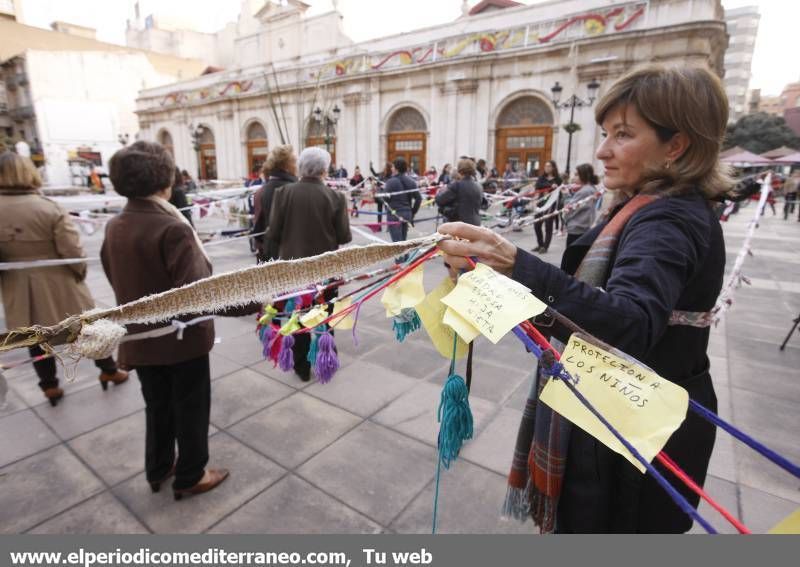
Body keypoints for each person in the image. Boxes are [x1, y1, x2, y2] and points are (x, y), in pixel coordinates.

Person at [437, 65, 729, 533]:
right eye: (605, 132)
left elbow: (631, 323)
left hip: (630, 442)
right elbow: (587, 302)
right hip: (624, 425)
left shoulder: (667, 219)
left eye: (623, 134)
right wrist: (496, 274)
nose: (602, 150)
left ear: (676, 146)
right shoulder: (647, 205)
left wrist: (516, 263)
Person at [102, 141, 255, 500]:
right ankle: (191, 474)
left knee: (156, 406)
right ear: (163, 178)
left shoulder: (115, 225)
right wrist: (249, 301)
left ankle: (158, 468)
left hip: (138, 339)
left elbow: (114, 276)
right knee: (190, 407)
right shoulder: (173, 228)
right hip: (180, 342)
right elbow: (198, 295)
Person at [0, 152, 127, 406]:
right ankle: (108, 369)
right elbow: (72, 253)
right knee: (85, 329)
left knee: (34, 339)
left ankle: (49, 387)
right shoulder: (48, 208)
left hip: (16, 285)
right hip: (59, 282)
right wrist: (79, 274)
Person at [267, 147, 351, 381]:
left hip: (294, 272)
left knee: (298, 317)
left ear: (301, 168)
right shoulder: (335, 197)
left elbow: (273, 233)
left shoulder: (283, 193)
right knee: (325, 316)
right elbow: (344, 237)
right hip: (325, 271)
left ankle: (301, 365)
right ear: (324, 169)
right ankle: (326, 359)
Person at [251, 145, 297, 262]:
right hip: (291, 255)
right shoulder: (293, 189)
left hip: (270, 253)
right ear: (286, 165)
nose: (297, 166)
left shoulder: (263, 190)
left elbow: (258, 230)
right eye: (294, 162)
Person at [382, 157, 422, 243]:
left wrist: (379, 194)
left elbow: (385, 198)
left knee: (397, 245)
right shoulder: (411, 181)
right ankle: (405, 256)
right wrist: (412, 212)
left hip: (394, 215)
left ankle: (402, 257)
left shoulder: (391, 182)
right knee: (403, 243)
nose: (391, 169)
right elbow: (419, 198)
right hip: (407, 214)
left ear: (396, 168)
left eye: (392, 167)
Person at [435, 158, 483, 226]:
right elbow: (483, 204)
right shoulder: (479, 186)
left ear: (459, 170)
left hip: (459, 225)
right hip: (476, 224)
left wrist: (439, 191)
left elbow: (440, 200)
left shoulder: (457, 185)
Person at [562, 163, 599, 247]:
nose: (574, 177)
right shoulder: (591, 188)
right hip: (583, 227)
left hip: (577, 228)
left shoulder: (585, 191)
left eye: (576, 175)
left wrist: (566, 195)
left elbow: (569, 209)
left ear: (584, 175)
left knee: (571, 257)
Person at [532, 160, 563, 253]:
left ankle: (545, 247)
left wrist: (555, 187)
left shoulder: (558, 179)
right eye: (545, 166)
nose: (547, 168)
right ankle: (540, 244)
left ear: (553, 167)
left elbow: (559, 192)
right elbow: (538, 185)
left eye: (549, 166)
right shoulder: (542, 178)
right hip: (541, 203)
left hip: (551, 205)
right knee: (537, 225)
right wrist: (550, 185)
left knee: (548, 225)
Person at [370, 161, 393, 227]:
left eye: (385, 167)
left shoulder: (390, 176)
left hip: (385, 195)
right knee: (382, 210)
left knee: (385, 210)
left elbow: (389, 184)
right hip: (382, 195)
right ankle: (381, 225)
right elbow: (377, 181)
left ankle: (386, 225)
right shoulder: (383, 174)